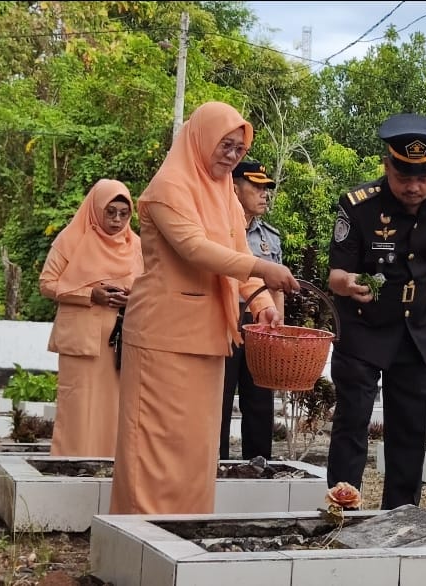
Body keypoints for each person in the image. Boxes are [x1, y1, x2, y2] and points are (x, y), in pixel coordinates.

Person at [109, 102, 299, 515]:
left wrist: (261, 300)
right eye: (225, 144)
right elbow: (195, 249)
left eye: (239, 148)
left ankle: (184, 540)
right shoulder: (168, 187)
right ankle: (140, 542)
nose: (232, 154)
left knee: (197, 451)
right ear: (200, 138)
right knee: (155, 449)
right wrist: (263, 268)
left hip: (211, 336)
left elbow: (236, 251)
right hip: (163, 338)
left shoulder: (225, 194)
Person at [326, 113, 426, 509]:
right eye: (404, 176)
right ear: (387, 165)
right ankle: (342, 508)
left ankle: (400, 515)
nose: (414, 186)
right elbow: (336, 271)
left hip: (415, 332)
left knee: (410, 428)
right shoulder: (359, 207)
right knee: (352, 422)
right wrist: (347, 284)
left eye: (422, 177)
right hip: (362, 329)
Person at [39, 179, 143, 457]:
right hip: (81, 339)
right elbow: (47, 284)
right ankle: (70, 464)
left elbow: (152, 289)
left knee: (116, 408)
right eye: (110, 212)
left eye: (124, 213)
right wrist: (89, 294)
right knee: (78, 408)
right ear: (96, 209)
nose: (117, 220)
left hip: (121, 341)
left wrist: (131, 299)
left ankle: (109, 467)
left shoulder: (137, 246)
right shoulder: (71, 239)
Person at [218, 161, 282, 461]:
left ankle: (259, 465)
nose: (264, 194)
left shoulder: (270, 237)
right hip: (223, 317)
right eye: (256, 186)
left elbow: (277, 287)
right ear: (234, 186)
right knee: (220, 395)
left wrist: (278, 330)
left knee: (260, 399)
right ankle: (215, 464)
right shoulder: (219, 227)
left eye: (266, 187)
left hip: (260, 322)